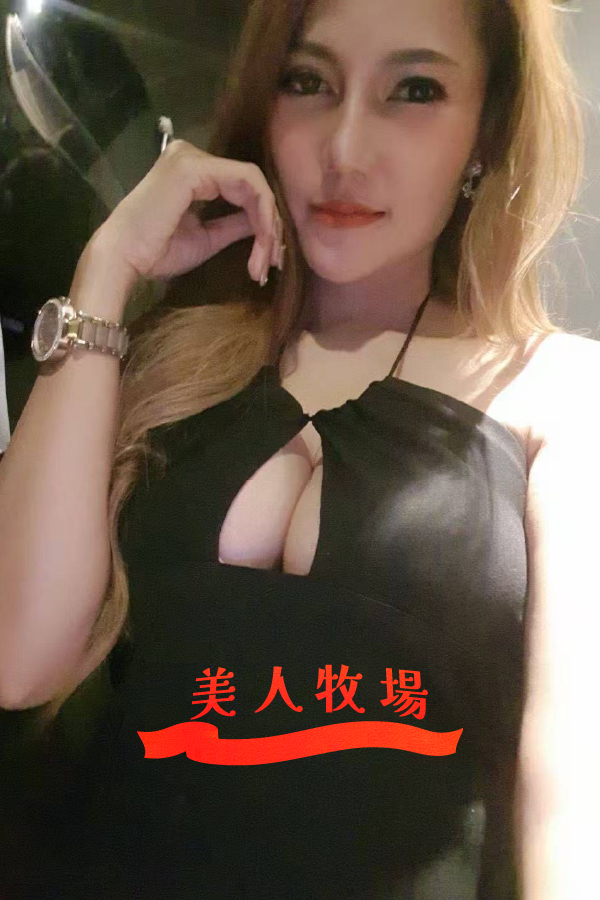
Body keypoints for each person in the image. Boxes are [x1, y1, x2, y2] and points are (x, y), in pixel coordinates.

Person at [0, 0, 597, 898]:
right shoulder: (161, 366)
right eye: (308, 81)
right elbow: (19, 658)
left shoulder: (560, 390)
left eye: (415, 90)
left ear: (488, 130)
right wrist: (108, 264)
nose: (345, 149)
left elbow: (572, 802)